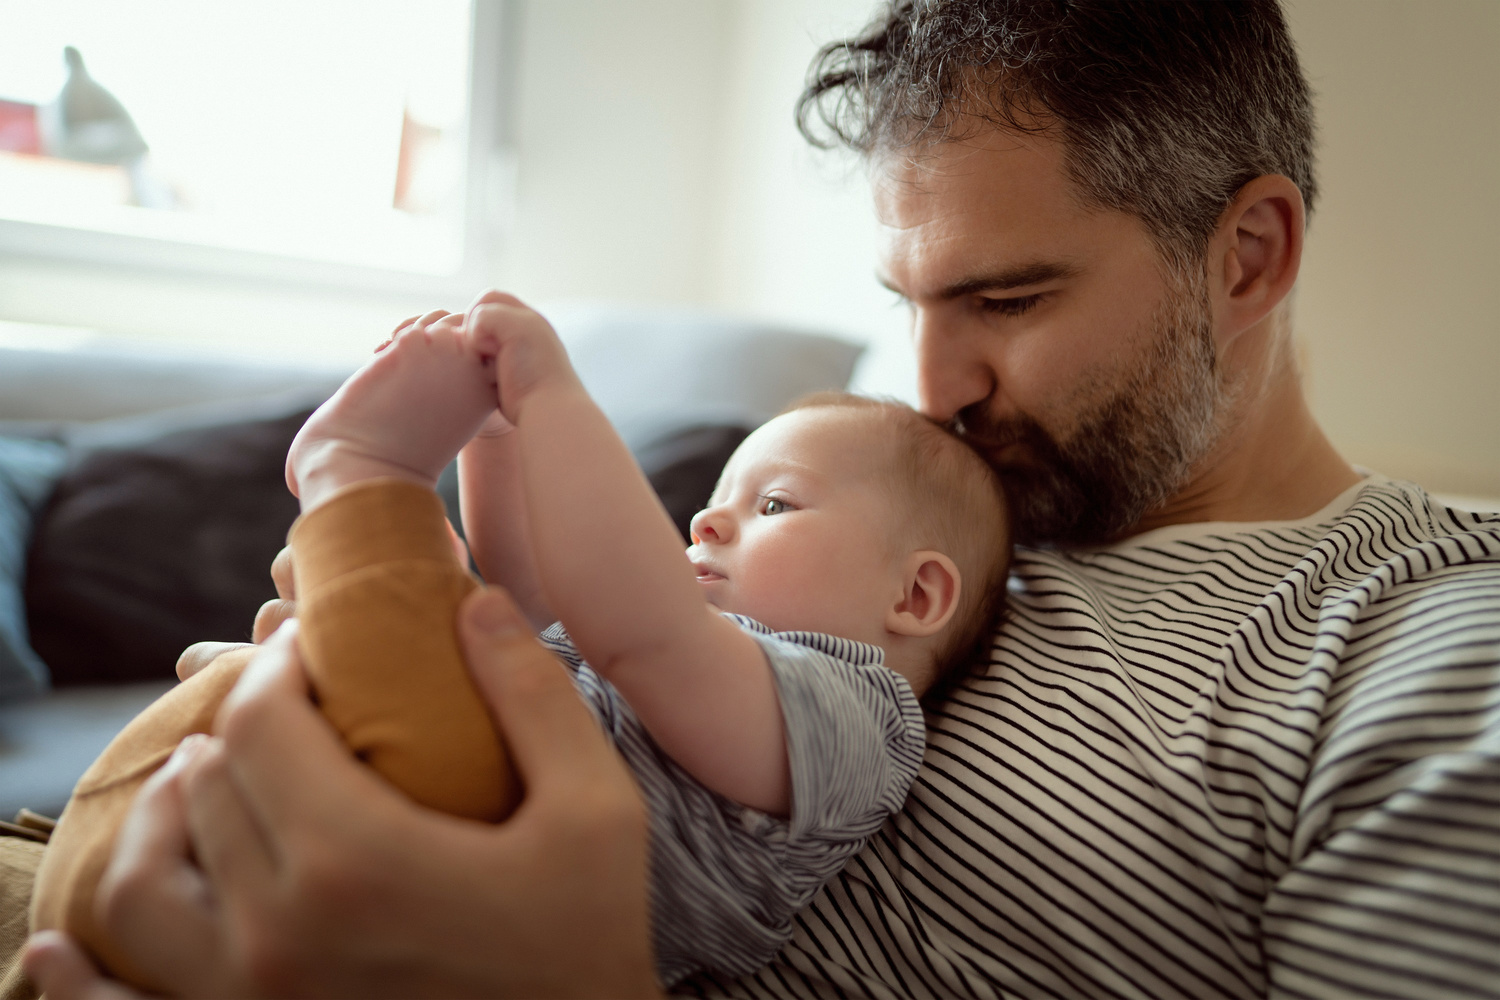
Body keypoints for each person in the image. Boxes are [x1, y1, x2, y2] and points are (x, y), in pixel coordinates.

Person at [13, 0, 1500, 997]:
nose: (932, 385)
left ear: (1247, 257)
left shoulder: (1431, 647)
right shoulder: (904, 506)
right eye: (905, 302)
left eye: (1007, 295)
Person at [27, 296, 1010, 991]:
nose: (706, 525)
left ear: (915, 593)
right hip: (328, 839)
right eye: (710, 506)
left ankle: (360, 473)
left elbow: (641, 631)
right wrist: (493, 436)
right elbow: (541, 591)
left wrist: (557, 402)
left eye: (775, 504)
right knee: (476, 611)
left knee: (432, 602)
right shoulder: (696, 649)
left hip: (454, 878)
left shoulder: (858, 720)